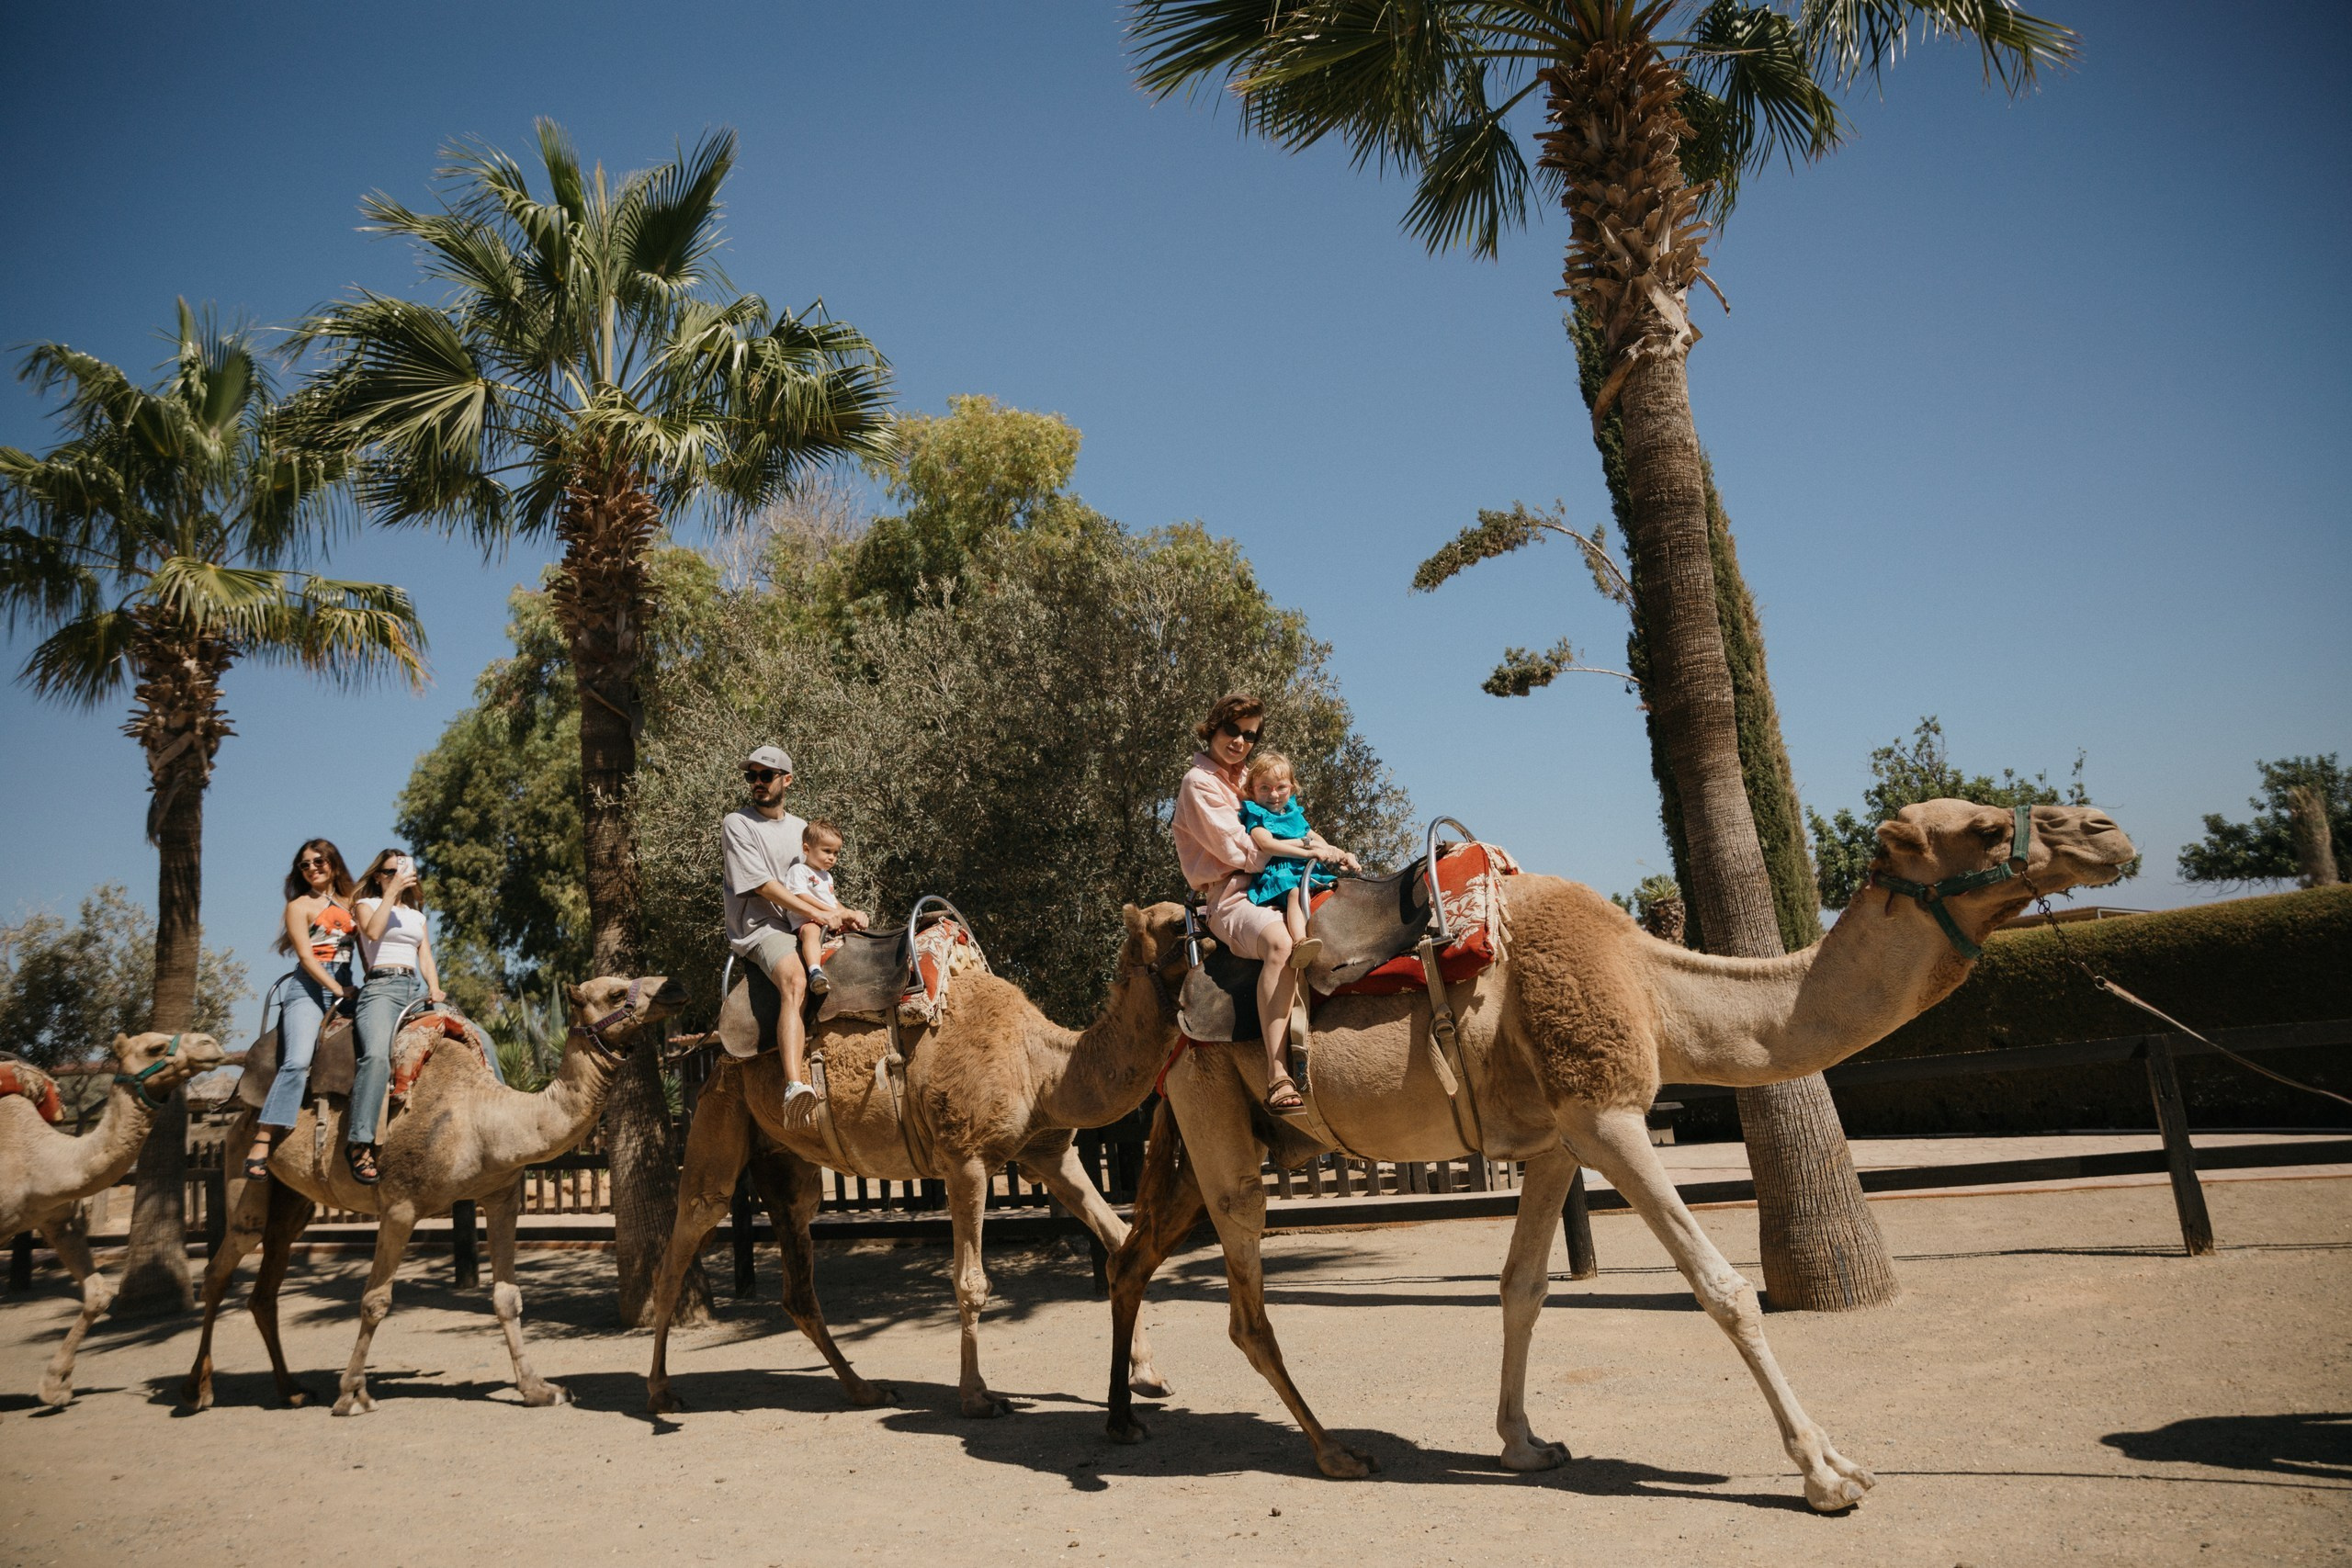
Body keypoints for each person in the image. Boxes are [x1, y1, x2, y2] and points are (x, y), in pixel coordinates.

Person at [1171, 694, 1349, 1115]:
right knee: (1280, 945)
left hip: (1286, 880)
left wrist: (1327, 848)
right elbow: (1244, 854)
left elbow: (1291, 820)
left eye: (1249, 735)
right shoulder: (1198, 784)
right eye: (1232, 730)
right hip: (1234, 895)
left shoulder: (1253, 778)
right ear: (1213, 727)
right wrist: (1306, 850)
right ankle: (1276, 1073)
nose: (1239, 741)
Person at [721, 746, 868, 1120]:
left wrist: (841, 912)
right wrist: (821, 914)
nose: (757, 783)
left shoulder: (802, 828)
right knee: (795, 980)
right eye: (751, 776)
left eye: (765, 775)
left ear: (786, 780)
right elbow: (764, 888)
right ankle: (793, 1085)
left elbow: (814, 884)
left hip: (803, 921)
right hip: (763, 927)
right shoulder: (738, 824)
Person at [250, 840, 356, 1179]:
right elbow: (307, 958)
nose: (312, 869)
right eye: (304, 865)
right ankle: (263, 1139)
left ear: (334, 864)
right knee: (296, 1061)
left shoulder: (355, 903)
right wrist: (339, 990)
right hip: (310, 990)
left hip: (348, 986)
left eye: (319, 862)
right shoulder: (298, 906)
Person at [347, 848, 445, 1185]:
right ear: (378, 875)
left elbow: (426, 956)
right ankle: (360, 1143)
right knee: (375, 1057)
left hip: (413, 990)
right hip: (381, 988)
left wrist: (435, 987)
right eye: (389, 872)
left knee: (470, 1035)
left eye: (402, 871)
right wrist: (390, 892)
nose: (396, 877)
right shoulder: (368, 904)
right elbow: (372, 933)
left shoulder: (417, 916)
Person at [1239, 750, 1362, 964]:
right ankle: (1300, 942)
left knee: (1336, 889)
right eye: (1265, 788)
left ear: (1292, 788)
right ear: (1251, 790)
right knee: (1295, 894)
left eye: (1281, 788)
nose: (1274, 795)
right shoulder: (1256, 814)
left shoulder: (1293, 814)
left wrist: (1342, 855)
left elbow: (1317, 840)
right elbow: (1267, 845)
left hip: (1306, 870)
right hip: (1280, 873)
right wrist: (1310, 851)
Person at [786, 820, 848, 993]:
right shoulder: (799, 870)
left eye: (836, 853)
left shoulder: (827, 876)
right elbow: (800, 896)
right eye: (827, 851)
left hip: (829, 921)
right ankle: (815, 971)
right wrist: (828, 911)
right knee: (811, 932)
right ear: (806, 849)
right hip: (807, 920)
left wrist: (848, 914)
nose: (832, 857)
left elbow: (833, 901)